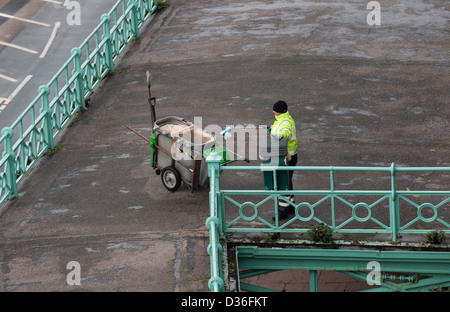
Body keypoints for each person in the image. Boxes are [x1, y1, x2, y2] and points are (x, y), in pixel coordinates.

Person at [270, 100, 298, 219]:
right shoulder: (282, 119)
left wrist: (278, 135)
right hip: (288, 156)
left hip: (287, 158)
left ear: (278, 112)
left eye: (274, 110)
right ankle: (291, 207)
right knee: (287, 181)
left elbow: (285, 132)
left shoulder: (285, 122)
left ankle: (283, 211)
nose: (273, 112)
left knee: (283, 184)